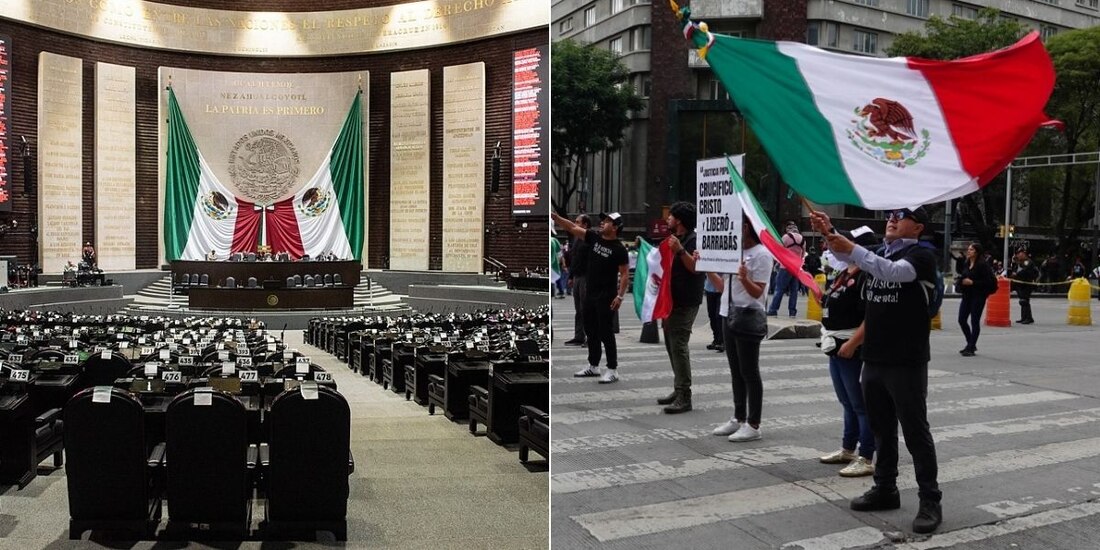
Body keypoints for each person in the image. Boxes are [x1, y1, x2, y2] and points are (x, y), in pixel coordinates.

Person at [810, 206, 942, 534]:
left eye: (902, 215)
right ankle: (885, 487)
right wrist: (828, 231)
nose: (892, 220)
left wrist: (853, 249)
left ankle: (930, 500)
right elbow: (845, 258)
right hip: (874, 357)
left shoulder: (922, 256)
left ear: (918, 227)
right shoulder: (880, 253)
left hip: (906, 359)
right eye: (890, 215)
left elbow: (893, 272)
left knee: (915, 431)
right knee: (881, 428)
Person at [818, 226, 877, 478]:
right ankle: (848, 449)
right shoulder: (844, 271)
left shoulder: (867, 275)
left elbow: (871, 316)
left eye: (846, 241)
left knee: (860, 404)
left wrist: (852, 343)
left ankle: (866, 456)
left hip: (852, 346)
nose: (837, 245)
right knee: (846, 402)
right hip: (836, 345)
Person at [712, 216, 773, 442]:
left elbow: (758, 292)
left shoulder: (762, 254)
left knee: (749, 371)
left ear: (746, 227)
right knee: (735, 371)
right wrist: (707, 269)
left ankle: (754, 423)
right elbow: (723, 287)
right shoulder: (734, 252)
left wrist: (745, 278)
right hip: (728, 314)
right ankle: (738, 417)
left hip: (748, 316)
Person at [552, 210, 629, 384]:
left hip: (606, 295)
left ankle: (612, 369)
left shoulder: (619, 249)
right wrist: (557, 218)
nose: (602, 223)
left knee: (606, 332)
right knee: (591, 330)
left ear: (615, 227)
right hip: (590, 293)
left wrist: (620, 297)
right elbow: (572, 228)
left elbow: (624, 274)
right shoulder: (594, 238)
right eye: (603, 220)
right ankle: (593, 365)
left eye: (607, 221)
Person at [656, 202, 705, 414]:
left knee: (679, 346)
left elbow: (696, 268)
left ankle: (685, 395)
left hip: (686, 301)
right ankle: (678, 388)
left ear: (680, 220)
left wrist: (681, 250)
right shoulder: (676, 239)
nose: (667, 219)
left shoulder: (694, 240)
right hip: (671, 300)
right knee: (671, 345)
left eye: (671, 216)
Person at [957, 242, 997, 357]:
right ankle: (970, 342)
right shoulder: (966, 263)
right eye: (968, 249)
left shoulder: (982, 265)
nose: (968, 251)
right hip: (967, 295)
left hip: (978, 296)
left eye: (971, 250)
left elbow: (989, 282)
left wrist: (973, 282)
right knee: (961, 319)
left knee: (974, 321)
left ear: (977, 252)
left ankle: (971, 346)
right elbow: (963, 276)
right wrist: (961, 282)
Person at [564, 215, 592, 346]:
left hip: (586, 276)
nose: (575, 224)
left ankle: (591, 337)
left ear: (585, 225)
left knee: (586, 308)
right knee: (578, 309)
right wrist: (571, 276)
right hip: (577, 276)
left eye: (578, 222)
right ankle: (579, 335)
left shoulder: (590, 239)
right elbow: (574, 259)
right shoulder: (576, 239)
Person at [767, 220, 805, 317]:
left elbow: (779, 250)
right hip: (796, 268)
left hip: (785, 266)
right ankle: (792, 312)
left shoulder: (786, 237)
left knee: (779, 288)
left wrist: (777, 263)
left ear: (788, 229)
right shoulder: (802, 239)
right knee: (794, 291)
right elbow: (803, 254)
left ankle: (773, 310)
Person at [1010, 247, 1038, 324]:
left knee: (1024, 300)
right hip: (1021, 284)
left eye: (1019, 254)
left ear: (1024, 254)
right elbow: (1014, 269)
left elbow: (1024, 271)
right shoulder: (1020, 262)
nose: (1018, 255)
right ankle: (1024, 317)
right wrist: (1014, 262)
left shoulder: (1027, 262)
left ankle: (1028, 318)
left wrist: (1016, 274)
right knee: (1022, 301)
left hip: (1027, 283)